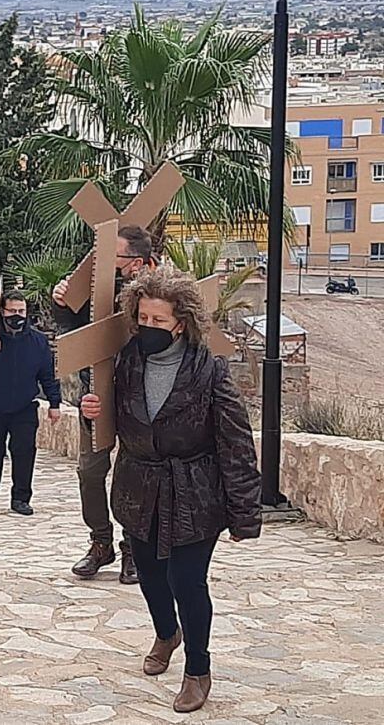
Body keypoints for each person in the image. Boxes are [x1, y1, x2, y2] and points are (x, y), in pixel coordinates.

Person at [80, 267, 261, 714]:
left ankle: (198, 670)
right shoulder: (125, 362)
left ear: (181, 322)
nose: (149, 327)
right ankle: (167, 632)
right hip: (138, 487)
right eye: (143, 318)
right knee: (151, 578)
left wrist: (245, 513)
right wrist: (90, 412)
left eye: (159, 320)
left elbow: (236, 442)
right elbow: (105, 419)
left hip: (194, 493)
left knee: (187, 580)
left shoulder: (209, 369)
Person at [53, 224, 154, 584]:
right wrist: (62, 299)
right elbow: (75, 329)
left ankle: (133, 549)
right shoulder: (100, 287)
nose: (106, 263)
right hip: (94, 399)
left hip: (141, 404)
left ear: (137, 264)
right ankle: (100, 542)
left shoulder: (160, 296)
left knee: (133, 477)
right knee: (89, 473)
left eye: (115, 257)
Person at [0, 290, 61, 515]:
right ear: (1, 312)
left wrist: (54, 402)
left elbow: (48, 374)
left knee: (24, 450)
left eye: (21, 311)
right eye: (12, 311)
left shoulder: (37, 341)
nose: (17, 315)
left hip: (23, 407)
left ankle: (21, 497)